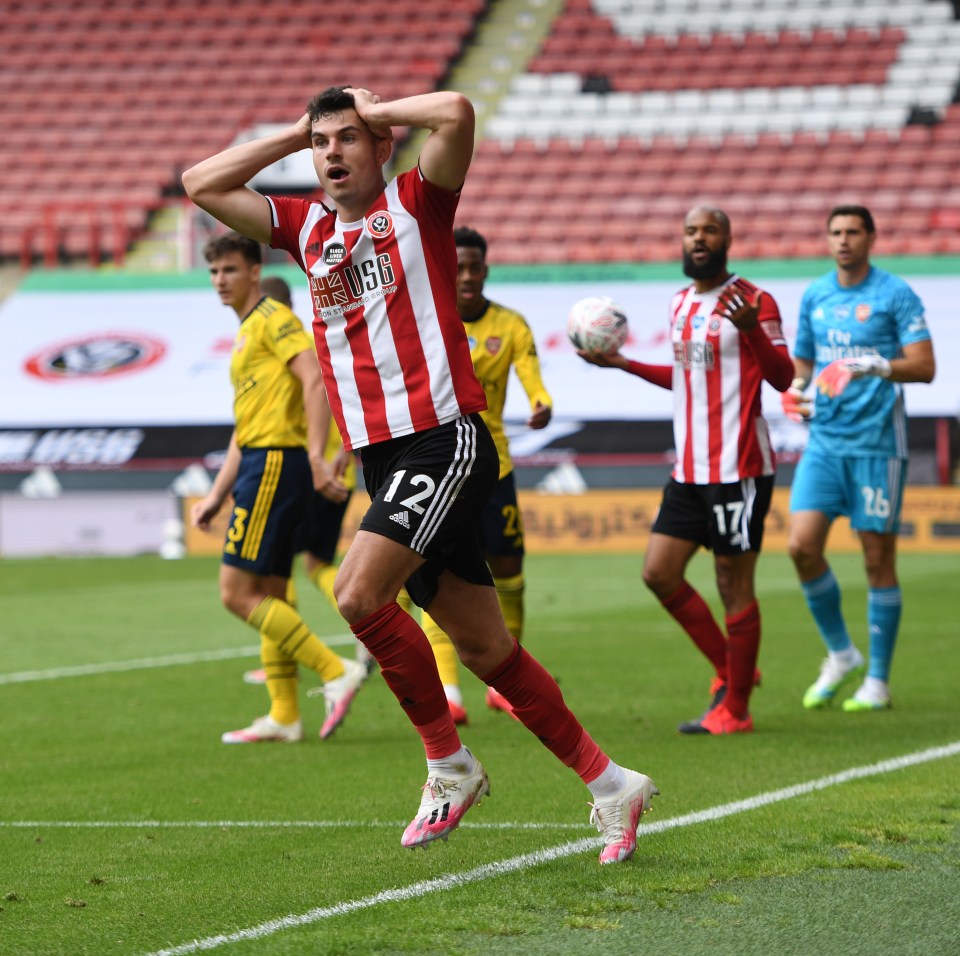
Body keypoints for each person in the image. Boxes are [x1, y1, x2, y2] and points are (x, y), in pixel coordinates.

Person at [182, 85, 657, 863]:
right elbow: (202, 184)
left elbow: (460, 112)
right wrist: (296, 133)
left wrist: (383, 108)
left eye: (347, 139)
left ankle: (449, 766)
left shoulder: (418, 203)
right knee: (485, 649)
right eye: (321, 144)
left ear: (381, 146)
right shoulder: (304, 231)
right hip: (382, 458)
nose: (331, 153)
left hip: (443, 438)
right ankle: (612, 784)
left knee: (357, 592)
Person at [577, 205, 794, 735]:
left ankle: (736, 709)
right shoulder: (680, 302)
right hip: (690, 468)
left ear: (727, 239)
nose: (699, 239)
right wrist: (622, 363)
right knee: (659, 572)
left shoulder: (754, 301)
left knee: (732, 583)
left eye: (709, 230)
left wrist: (753, 332)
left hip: (738, 466)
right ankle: (733, 670)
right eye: (691, 231)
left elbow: (783, 377)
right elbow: (685, 378)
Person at [191, 234, 367, 744]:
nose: (220, 280)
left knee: (236, 592)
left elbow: (314, 378)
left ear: (252, 272)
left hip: (275, 463)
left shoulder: (273, 318)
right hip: (258, 461)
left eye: (229, 269)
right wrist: (217, 493)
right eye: (213, 272)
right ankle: (285, 714)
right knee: (271, 591)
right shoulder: (248, 332)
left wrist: (317, 455)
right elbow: (243, 429)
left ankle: (336, 671)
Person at [782, 205, 936, 712]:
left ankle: (878, 680)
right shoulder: (816, 294)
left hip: (877, 444)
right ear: (827, 241)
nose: (843, 240)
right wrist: (797, 388)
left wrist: (875, 364)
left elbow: (926, 366)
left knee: (876, 558)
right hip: (825, 440)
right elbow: (804, 358)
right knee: (800, 547)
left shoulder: (894, 293)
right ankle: (841, 653)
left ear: (871, 237)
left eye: (852, 232)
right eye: (835, 233)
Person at [420, 226, 553, 725]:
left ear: (486, 269)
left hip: (491, 465)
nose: (468, 276)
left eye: (476, 266)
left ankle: (506, 685)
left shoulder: (510, 324)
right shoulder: (426, 319)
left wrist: (541, 403)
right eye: (460, 267)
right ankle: (449, 692)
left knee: (508, 569)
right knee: (436, 575)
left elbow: (532, 379)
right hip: (437, 464)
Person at [240, 274, 366, 684]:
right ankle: (366, 624)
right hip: (337, 465)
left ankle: (299, 651)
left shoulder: (282, 347)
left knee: (273, 573)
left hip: (306, 469)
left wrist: (322, 457)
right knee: (315, 564)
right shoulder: (318, 344)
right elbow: (352, 399)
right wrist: (344, 454)